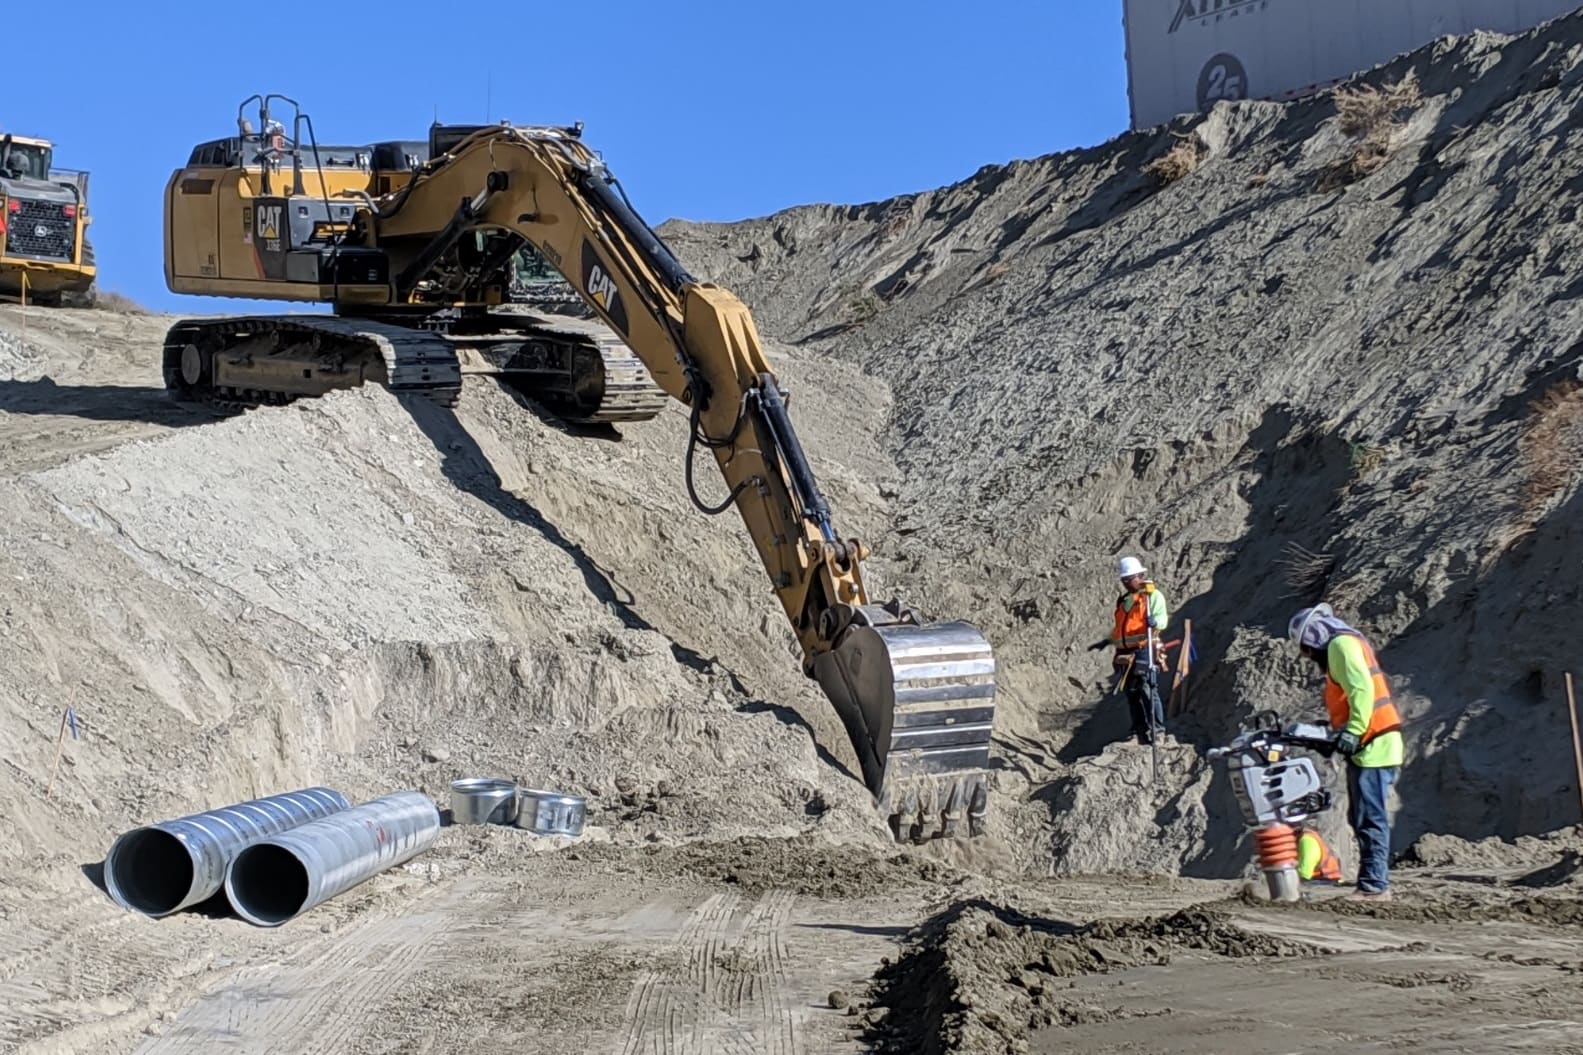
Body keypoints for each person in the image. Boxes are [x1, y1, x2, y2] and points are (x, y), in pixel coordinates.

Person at [1288, 603, 1403, 902]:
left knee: (1370, 817)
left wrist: (1353, 730)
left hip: (1374, 742)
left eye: (1307, 650)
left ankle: (1375, 886)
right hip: (1373, 742)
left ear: (1313, 639)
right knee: (1361, 815)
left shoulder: (1340, 645)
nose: (1309, 657)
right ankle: (1371, 882)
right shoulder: (1347, 643)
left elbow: (1361, 689)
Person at [1090, 556, 1169, 744]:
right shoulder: (1124, 600)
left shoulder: (1152, 597)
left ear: (1140, 576)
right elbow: (1122, 629)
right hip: (1125, 651)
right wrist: (1109, 642)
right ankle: (1139, 730)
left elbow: (1163, 620)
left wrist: (1154, 622)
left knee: (1147, 688)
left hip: (1144, 648)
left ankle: (1158, 729)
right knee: (1131, 691)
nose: (1126, 583)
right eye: (1123, 580)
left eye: (1129, 579)